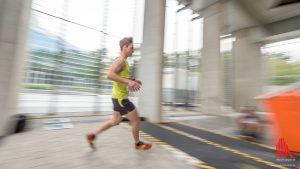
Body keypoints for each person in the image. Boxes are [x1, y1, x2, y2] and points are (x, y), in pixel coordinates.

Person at [86, 37, 152, 150]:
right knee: (136, 120)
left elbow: (120, 76)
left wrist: (132, 80)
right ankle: (138, 144)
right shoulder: (120, 60)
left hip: (116, 97)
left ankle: (92, 136)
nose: (133, 51)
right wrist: (128, 81)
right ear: (125, 47)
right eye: (132, 48)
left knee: (116, 120)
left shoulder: (123, 61)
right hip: (121, 98)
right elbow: (110, 75)